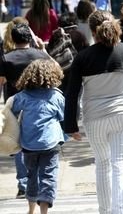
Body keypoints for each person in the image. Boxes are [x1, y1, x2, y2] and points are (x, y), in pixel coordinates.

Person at [64, 11, 123, 214]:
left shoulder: (82, 58)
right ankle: (122, 210)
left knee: (103, 163)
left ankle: (106, 211)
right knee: (121, 163)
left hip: (95, 119)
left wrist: (70, 125)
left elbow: (72, 94)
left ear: (92, 31)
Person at [12, 59, 79, 214]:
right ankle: (43, 212)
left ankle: (30, 210)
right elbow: (65, 117)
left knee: (31, 176)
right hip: (51, 143)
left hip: (28, 144)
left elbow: (11, 112)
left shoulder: (22, 96)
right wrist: (71, 133)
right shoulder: (56, 96)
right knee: (48, 177)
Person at [0, 22, 53, 200]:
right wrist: (43, 48)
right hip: (39, 104)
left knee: (17, 145)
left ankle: (24, 184)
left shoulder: (6, 59)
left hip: (15, 104)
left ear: (13, 39)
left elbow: (1, 82)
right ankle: (36, 181)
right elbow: (56, 70)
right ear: (29, 38)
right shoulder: (40, 56)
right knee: (38, 142)